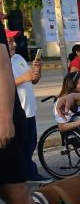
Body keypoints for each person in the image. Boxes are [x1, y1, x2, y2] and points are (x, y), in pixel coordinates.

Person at [0, 20, 53, 204]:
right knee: (17, 193)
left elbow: (2, 68)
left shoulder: (14, 58)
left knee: (18, 194)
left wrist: (5, 118)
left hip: (6, 123)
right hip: (12, 120)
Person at [6, 29, 46, 182]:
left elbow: (34, 80)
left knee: (30, 143)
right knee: (21, 146)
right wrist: (23, 78)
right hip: (16, 112)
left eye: (14, 41)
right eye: (10, 42)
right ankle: (28, 175)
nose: (14, 44)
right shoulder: (3, 61)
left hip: (29, 110)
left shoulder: (18, 58)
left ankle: (26, 173)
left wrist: (37, 70)